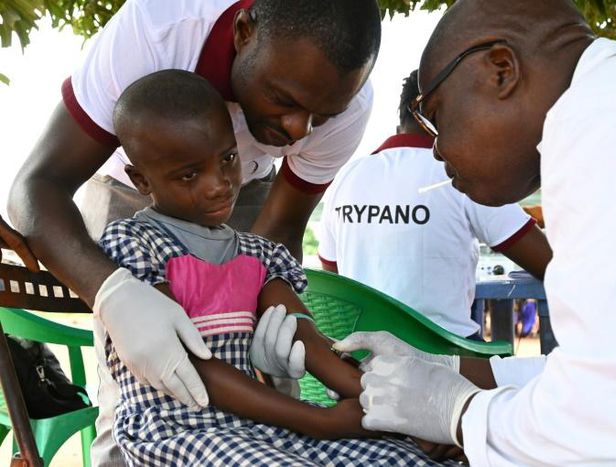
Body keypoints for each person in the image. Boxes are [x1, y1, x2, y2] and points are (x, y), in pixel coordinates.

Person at [4, 0, 380, 464]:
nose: (299, 129)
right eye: (285, 100)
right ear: (244, 33)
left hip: (249, 185)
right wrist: (113, 293)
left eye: (320, 116)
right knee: (128, 388)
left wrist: (378, 398)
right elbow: (36, 186)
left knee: (276, 384)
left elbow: (278, 235)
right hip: (127, 191)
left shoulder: (344, 99)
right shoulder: (156, 30)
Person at [328, 0, 616, 464]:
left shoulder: (600, 125)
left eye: (438, 118)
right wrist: (445, 370)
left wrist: (459, 412)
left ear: (500, 70)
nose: (438, 152)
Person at [100, 69, 457, 466]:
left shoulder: (258, 254)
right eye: (189, 174)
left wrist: (395, 408)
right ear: (140, 180)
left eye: (228, 159)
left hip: (258, 424)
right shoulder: (133, 245)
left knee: (404, 458)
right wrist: (318, 420)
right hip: (177, 428)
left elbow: (309, 340)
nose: (219, 184)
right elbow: (186, 363)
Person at [317, 70, 551, 338]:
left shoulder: (348, 176)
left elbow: (335, 281)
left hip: (361, 361)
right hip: (447, 355)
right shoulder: (464, 172)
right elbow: (548, 262)